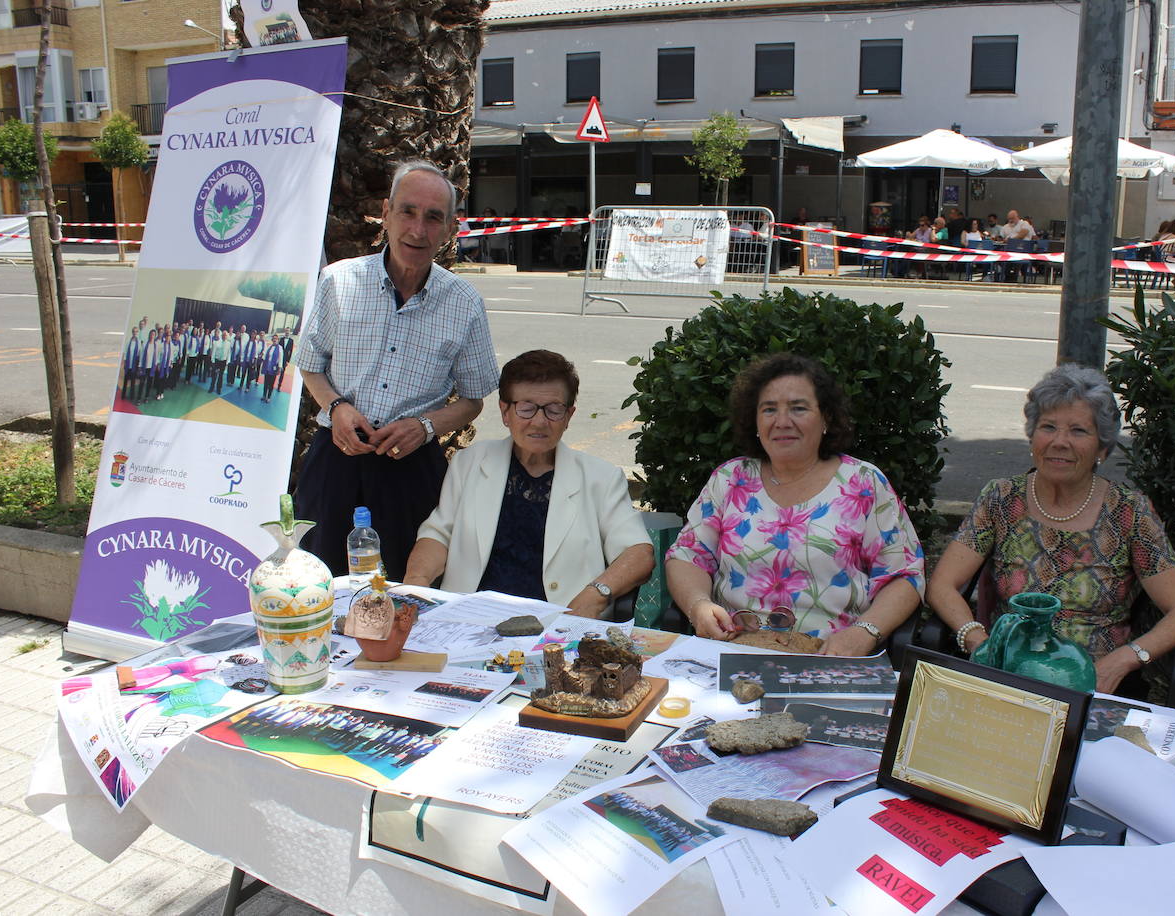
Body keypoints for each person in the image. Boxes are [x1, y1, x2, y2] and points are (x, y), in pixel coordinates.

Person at [925, 364, 1175, 695]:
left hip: (1096, 684)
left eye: (1078, 431)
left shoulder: (1129, 512)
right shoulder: (1001, 498)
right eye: (1048, 427)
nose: (1060, 442)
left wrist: (1123, 661)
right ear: (1033, 437)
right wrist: (979, 643)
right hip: (1007, 678)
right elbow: (943, 585)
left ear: (1102, 448)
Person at [295, 159, 499, 581]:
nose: (417, 230)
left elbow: (474, 399)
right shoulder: (339, 281)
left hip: (411, 471)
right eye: (407, 211)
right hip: (336, 461)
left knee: (410, 594)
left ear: (449, 229)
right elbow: (311, 367)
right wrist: (337, 409)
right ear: (386, 213)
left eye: (433, 218)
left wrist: (424, 426)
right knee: (319, 582)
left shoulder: (463, 302)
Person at [666, 353, 926, 656]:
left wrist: (864, 631)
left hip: (829, 657)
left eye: (798, 408)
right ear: (755, 421)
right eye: (769, 410)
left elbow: (904, 576)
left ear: (826, 418)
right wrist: (699, 605)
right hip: (730, 651)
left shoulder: (863, 483)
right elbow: (687, 556)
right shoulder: (730, 479)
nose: (782, 421)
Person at [404, 350, 653, 617]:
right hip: (471, 618)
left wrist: (596, 595)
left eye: (554, 410)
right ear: (505, 412)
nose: (539, 421)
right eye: (526, 408)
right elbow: (438, 534)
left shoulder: (600, 478)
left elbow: (638, 553)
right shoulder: (469, 464)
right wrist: (416, 582)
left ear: (569, 416)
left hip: (559, 624)